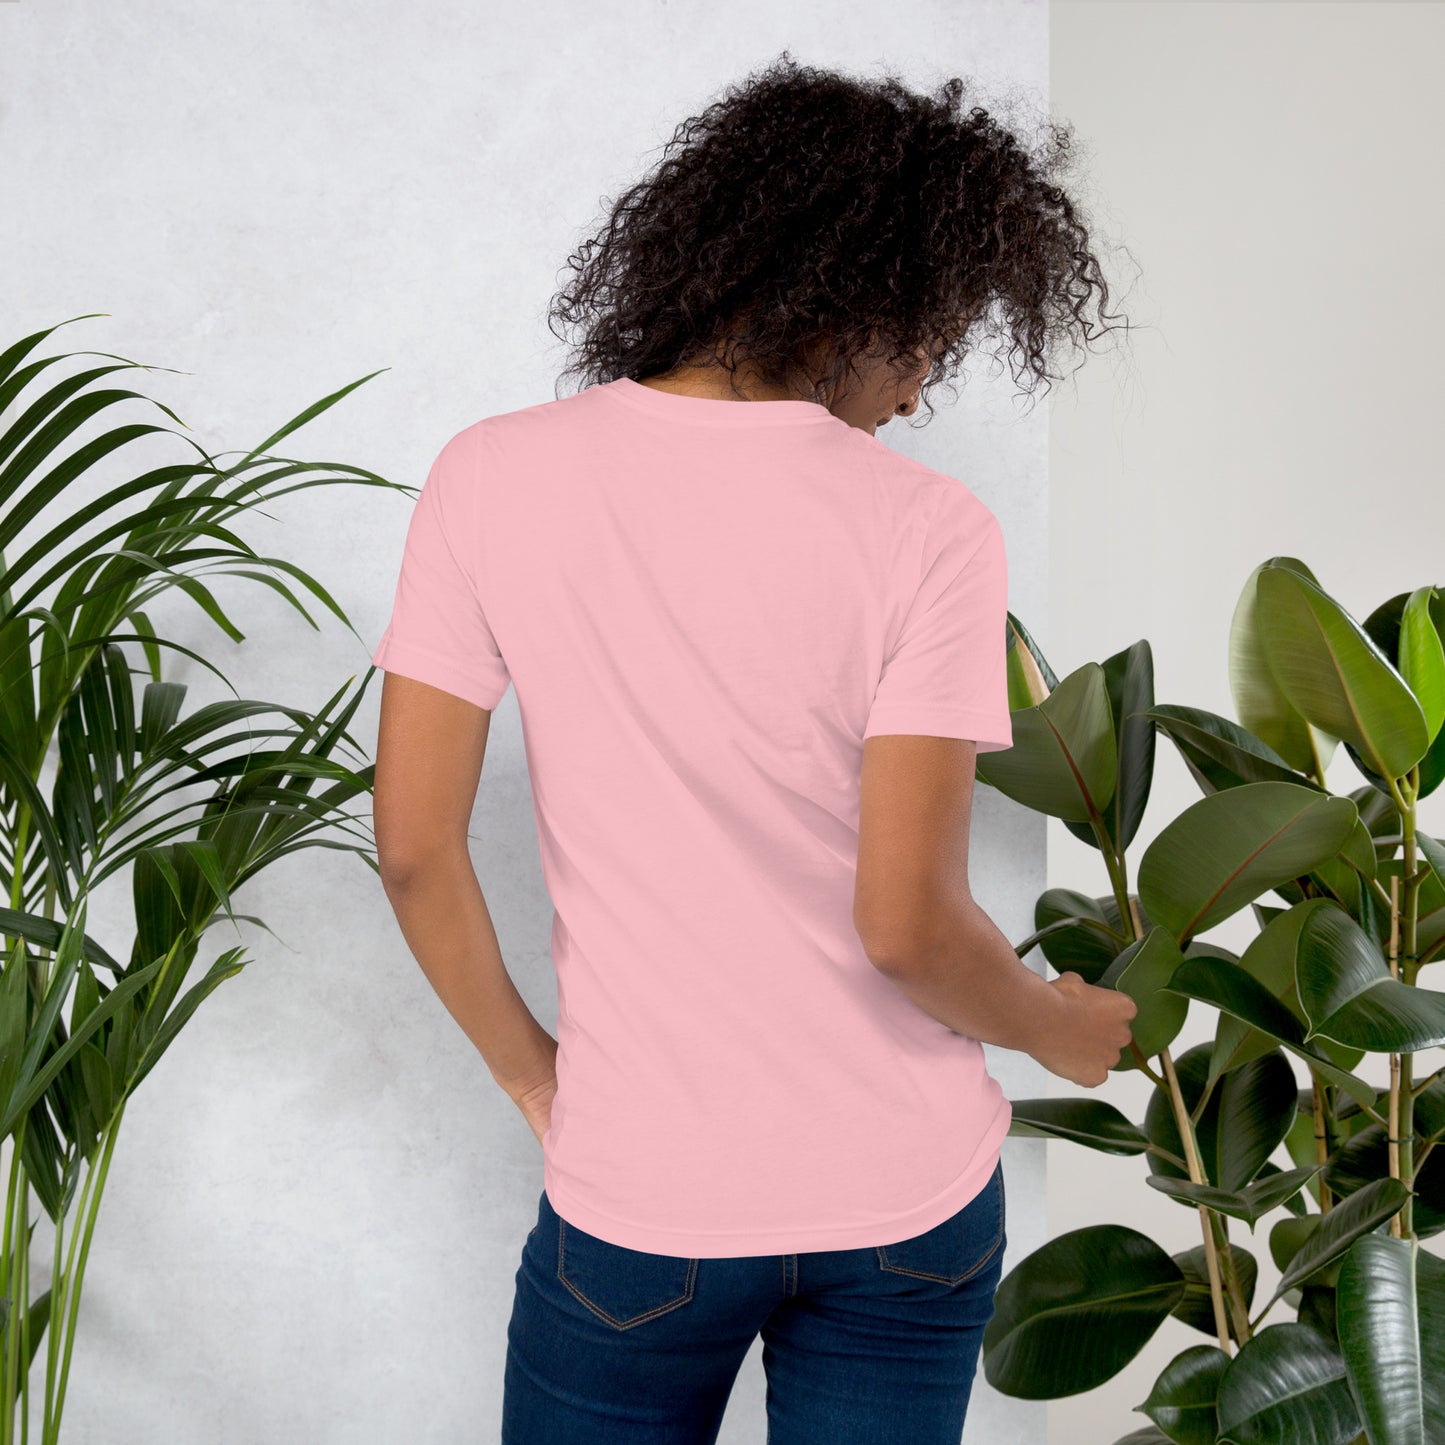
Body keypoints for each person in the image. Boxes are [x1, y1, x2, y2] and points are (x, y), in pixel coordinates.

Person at [371, 51, 1137, 1445]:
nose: (915, 396)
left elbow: (415, 850)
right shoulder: (928, 532)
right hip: (903, 1207)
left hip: (642, 1201)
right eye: (930, 340)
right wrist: (1057, 1025)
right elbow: (905, 923)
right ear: (856, 295)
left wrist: (532, 1074)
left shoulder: (491, 475)